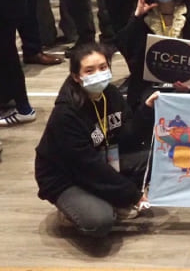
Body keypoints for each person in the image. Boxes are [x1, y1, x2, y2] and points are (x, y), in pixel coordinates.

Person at [34, 43, 153, 237]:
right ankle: (70, 212)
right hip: (66, 177)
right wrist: (133, 194)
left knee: (154, 158)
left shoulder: (111, 95)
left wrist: (146, 111)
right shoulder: (66, 114)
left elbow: (128, 138)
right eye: (89, 70)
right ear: (76, 77)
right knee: (100, 221)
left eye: (103, 67)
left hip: (102, 158)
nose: (98, 74)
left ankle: (108, 197)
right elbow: (87, 166)